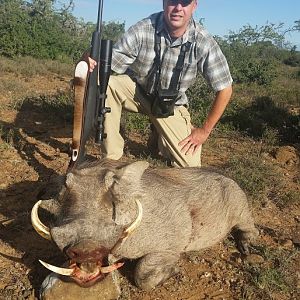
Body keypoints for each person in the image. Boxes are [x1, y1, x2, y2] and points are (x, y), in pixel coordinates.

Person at [87, 0, 233, 167]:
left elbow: (225, 89)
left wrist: (204, 131)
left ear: (194, 6)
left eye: (185, 2)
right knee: (108, 83)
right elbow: (108, 63)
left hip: (170, 106)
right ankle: (110, 160)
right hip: (138, 93)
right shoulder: (143, 28)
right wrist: (89, 59)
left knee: (190, 166)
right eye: (172, 1)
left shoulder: (203, 40)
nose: (178, 8)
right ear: (164, 3)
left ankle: (159, 134)